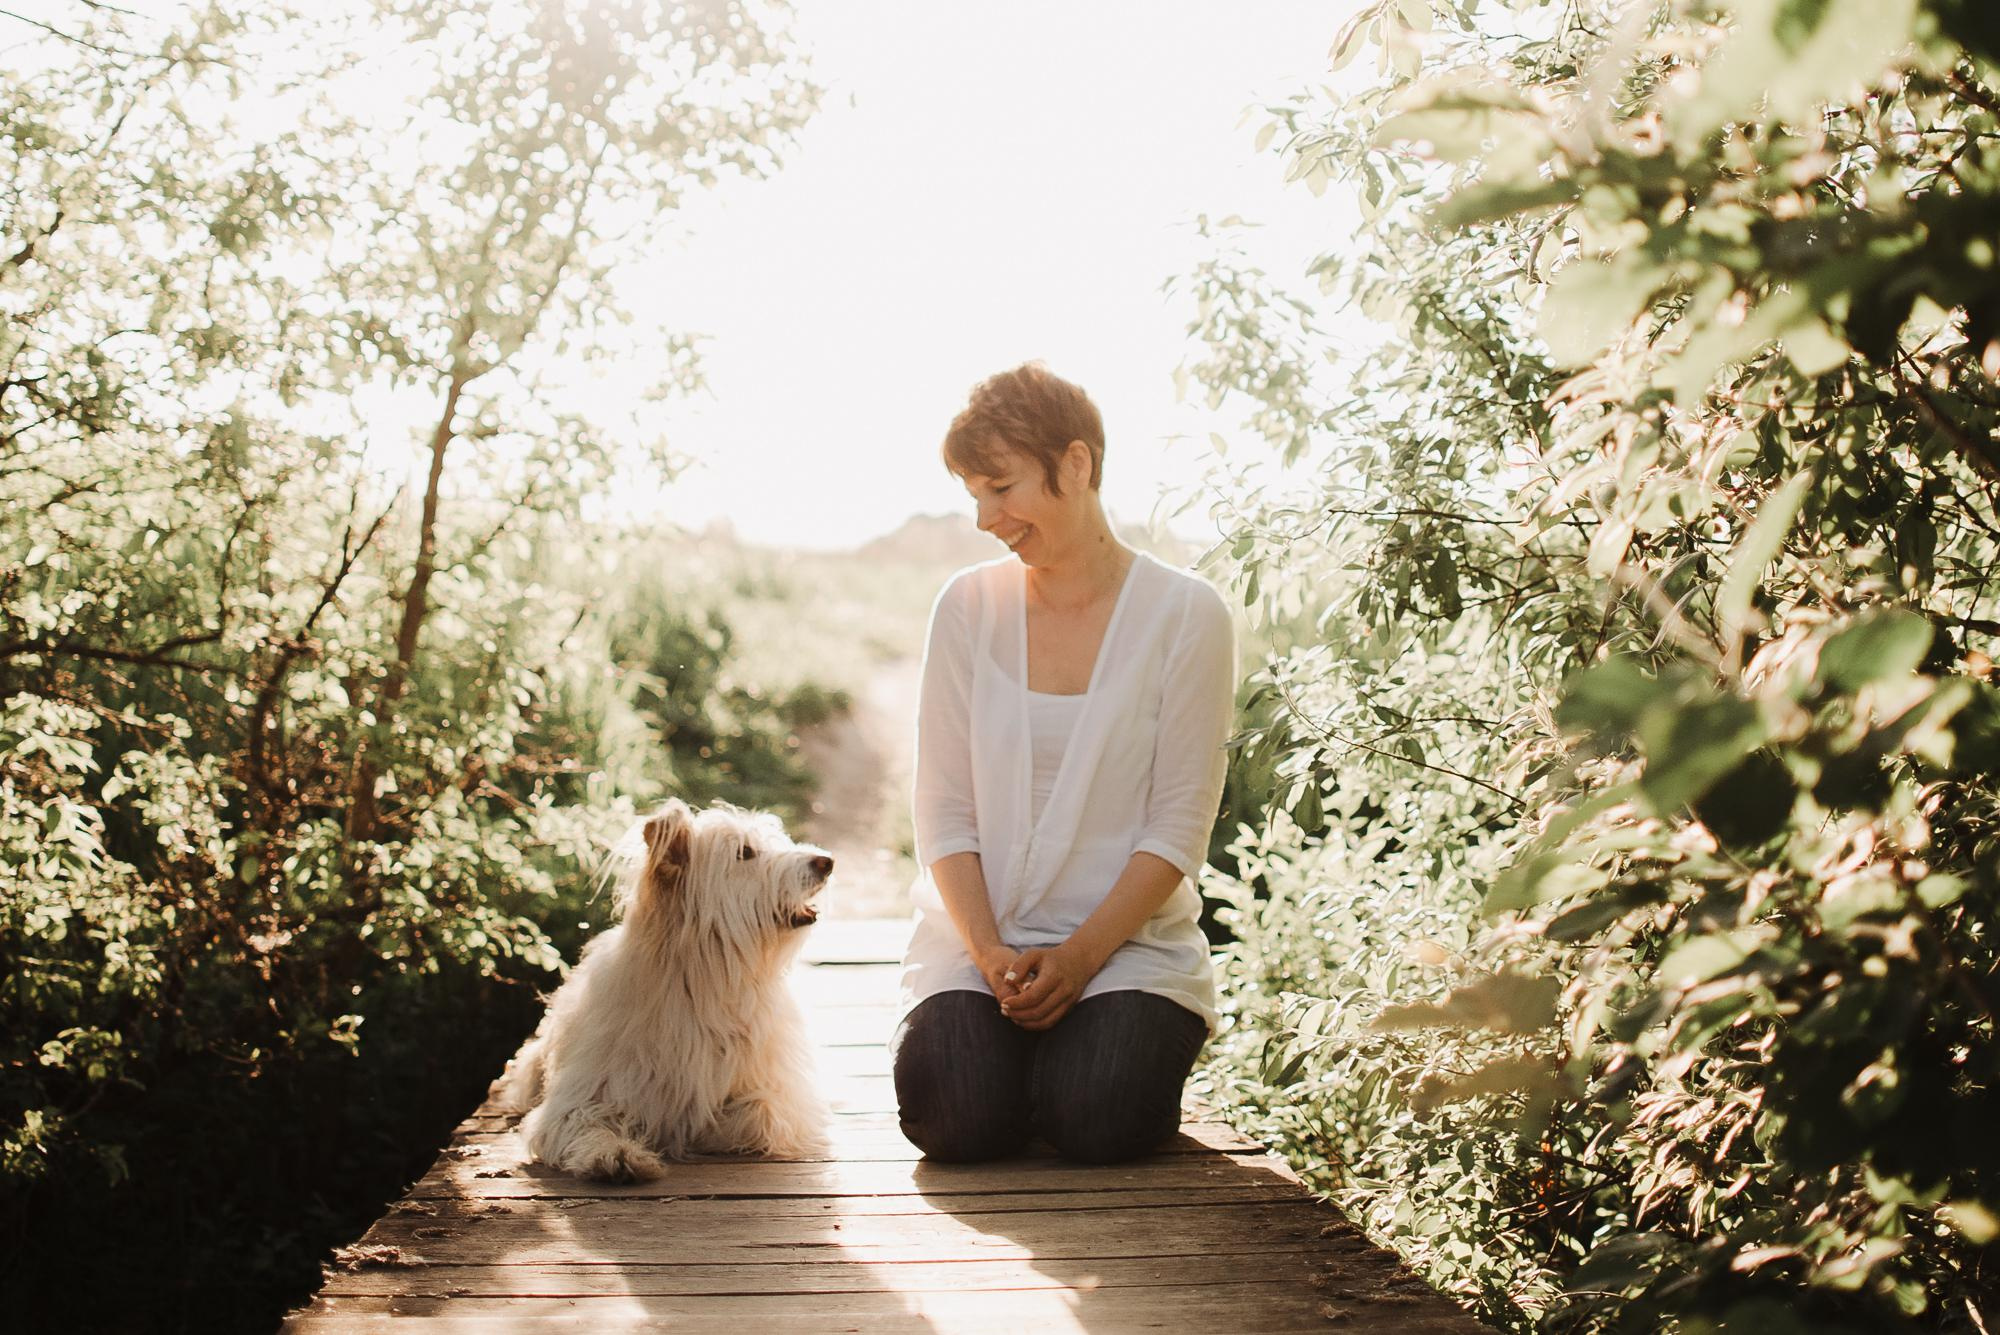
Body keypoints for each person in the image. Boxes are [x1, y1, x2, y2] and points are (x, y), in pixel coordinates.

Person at [892, 362, 1237, 1165]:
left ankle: (1069, 1063)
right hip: (979, 948)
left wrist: (1080, 960)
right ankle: (1015, 1061)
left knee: (1100, 1118)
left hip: (1126, 953)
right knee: (957, 1120)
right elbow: (941, 808)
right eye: (973, 493)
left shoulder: (1187, 614)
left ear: (1076, 465)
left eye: (1001, 487)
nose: (985, 517)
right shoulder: (966, 607)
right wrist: (987, 953)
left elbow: (1181, 823)